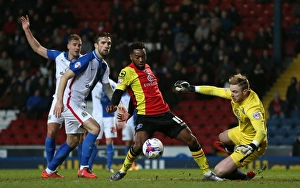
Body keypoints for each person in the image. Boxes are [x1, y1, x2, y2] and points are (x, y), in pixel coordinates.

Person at [106, 42, 223, 181]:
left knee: (191, 140)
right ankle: (122, 171)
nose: (141, 60)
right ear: (131, 57)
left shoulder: (148, 68)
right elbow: (119, 91)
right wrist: (114, 104)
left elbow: (135, 96)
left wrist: (130, 112)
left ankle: (207, 173)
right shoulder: (127, 72)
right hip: (146, 117)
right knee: (137, 146)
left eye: (144, 56)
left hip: (165, 114)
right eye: (138, 57)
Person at [43, 32, 115, 178]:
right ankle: (84, 168)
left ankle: (49, 171)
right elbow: (64, 77)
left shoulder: (104, 66)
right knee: (95, 128)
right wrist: (58, 101)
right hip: (69, 102)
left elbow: (107, 88)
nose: (106, 45)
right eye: (103, 43)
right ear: (96, 45)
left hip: (78, 103)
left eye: (108, 43)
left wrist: (118, 104)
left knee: (73, 140)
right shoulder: (86, 60)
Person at [174, 73, 268, 180]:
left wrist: (252, 146)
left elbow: (261, 132)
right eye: (231, 90)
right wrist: (192, 88)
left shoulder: (252, 108)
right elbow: (214, 90)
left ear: (245, 91)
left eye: (235, 92)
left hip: (254, 144)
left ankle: (243, 176)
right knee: (222, 137)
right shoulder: (238, 94)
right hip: (242, 132)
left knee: (219, 171)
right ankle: (232, 155)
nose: (231, 94)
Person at [20, 15, 82, 166]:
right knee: (51, 131)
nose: (77, 47)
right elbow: (37, 48)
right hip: (59, 99)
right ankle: (50, 168)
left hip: (76, 102)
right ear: (68, 46)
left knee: (75, 139)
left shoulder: (84, 61)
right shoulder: (59, 57)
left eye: (79, 45)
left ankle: (82, 166)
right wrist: (27, 30)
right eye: (74, 44)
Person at [90, 78, 118, 173]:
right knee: (95, 141)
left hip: (110, 117)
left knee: (109, 140)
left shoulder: (113, 84)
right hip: (97, 117)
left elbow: (117, 99)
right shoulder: (92, 83)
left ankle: (109, 167)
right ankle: (89, 167)